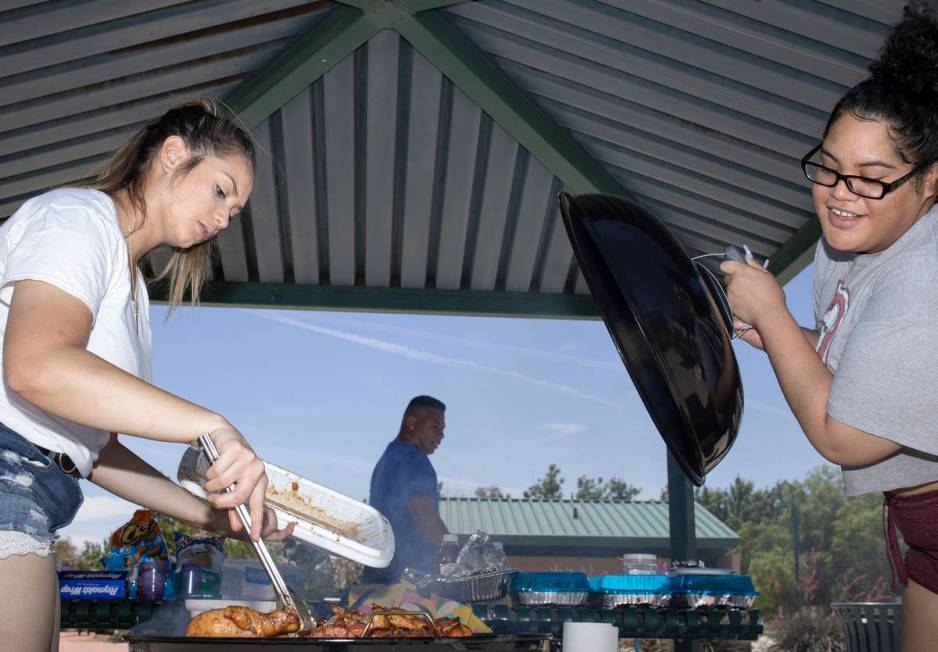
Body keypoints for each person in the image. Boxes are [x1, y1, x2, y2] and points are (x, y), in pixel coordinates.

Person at [0, 98, 295, 652]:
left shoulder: (132, 292)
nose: (225, 217)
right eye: (221, 190)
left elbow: (93, 451)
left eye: (235, 210)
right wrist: (212, 425)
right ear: (174, 155)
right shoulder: (77, 218)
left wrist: (213, 518)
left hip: (39, 492)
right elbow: (35, 366)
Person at [721, 5, 938, 648]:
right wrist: (786, 336)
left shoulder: (925, 273)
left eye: (871, 180)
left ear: (930, 181)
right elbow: (860, 367)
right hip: (917, 518)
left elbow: (844, 436)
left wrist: (772, 312)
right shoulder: (842, 246)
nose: (840, 193)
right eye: (830, 167)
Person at [362, 395, 449, 584]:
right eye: (435, 427)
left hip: (378, 577)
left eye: (442, 430)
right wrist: (458, 554)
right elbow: (427, 520)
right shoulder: (413, 460)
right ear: (411, 423)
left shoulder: (389, 457)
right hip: (405, 583)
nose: (441, 435)